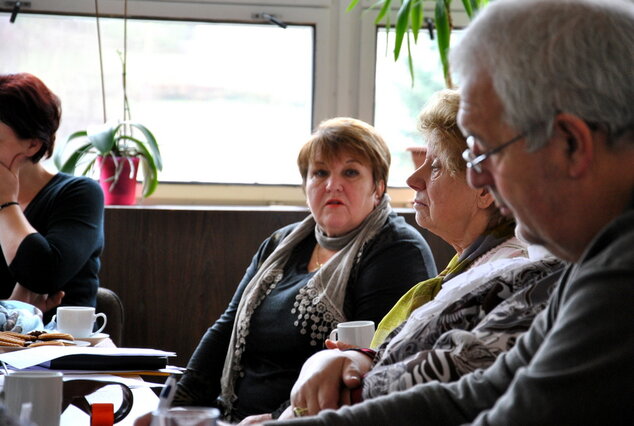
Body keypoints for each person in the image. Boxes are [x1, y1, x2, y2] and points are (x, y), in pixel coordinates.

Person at [259, 0, 634, 424]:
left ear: (570, 144)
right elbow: (476, 393)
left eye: (485, 152)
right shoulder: (595, 257)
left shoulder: (623, 275)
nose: (478, 180)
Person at [238, 89, 545, 425]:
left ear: (485, 188)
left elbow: (426, 386)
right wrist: (354, 359)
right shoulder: (470, 269)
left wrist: (285, 415)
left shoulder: (507, 276)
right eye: (320, 173)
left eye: (437, 166)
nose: (414, 178)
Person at [170, 117, 437, 421]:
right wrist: (174, 407)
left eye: (350, 172)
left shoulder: (397, 251)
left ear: (378, 188)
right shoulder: (281, 243)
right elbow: (225, 330)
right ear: (305, 186)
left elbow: (374, 365)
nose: (332, 184)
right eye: (320, 172)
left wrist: (278, 418)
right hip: (231, 414)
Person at [0, 73, 105, 322]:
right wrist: (15, 311)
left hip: (60, 354)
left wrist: (5, 202)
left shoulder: (79, 194)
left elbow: (41, 274)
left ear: (32, 145)